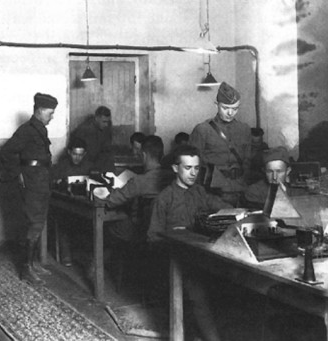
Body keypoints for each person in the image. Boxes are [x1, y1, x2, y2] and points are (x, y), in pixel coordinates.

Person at [147, 144, 231, 341]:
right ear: (175, 168)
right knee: (197, 292)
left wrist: (233, 212)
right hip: (174, 260)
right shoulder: (164, 198)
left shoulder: (200, 192)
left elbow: (223, 207)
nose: (193, 173)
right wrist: (173, 240)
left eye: (196, 168)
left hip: (201, 255)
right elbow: (152, 238)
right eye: (187, 168)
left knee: (228, 286)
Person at [0, 92, 58, 285]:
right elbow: (7, 151)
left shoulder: (39, 128)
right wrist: (18, 173)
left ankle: (32, 264)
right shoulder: (27, 130)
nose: (52, 116)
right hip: (32, 182)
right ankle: (26, 269)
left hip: (41, 180)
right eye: (50, 112)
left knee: (38, 222)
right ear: (40, 111)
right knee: (32, 224)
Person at [189, 82, 252, 205]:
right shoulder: (203, 130)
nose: (230, 113)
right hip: (213, 190)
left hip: (240, 189)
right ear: (216, 105)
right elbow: (194, 164)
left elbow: (248, 160)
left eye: (235, 109)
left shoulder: (244, 129)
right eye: (225, 108)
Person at [101, 135, 171, 242]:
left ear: (143, 155)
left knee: (107, 227)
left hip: (140, 229)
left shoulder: (139, 181)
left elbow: (111, 201)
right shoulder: (172, 177)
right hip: (165, 230)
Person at [50, 137, 94, 267]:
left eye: (80, 155)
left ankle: (87, 256)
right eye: (74, 154)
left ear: (84, 154)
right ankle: (66, 255)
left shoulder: (89, 166)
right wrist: (59, 183)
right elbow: (52, 183)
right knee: (64, 222)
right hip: (64, 204)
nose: (77, 158)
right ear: (69, 152)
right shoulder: (61, 166)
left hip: (83, 204)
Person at [71, 106, 114, 172]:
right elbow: (80, 154)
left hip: (101, 164)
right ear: (96, 118)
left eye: (108, 122)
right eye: (104, 122)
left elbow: (107, 149)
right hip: (86, 165)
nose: (106, 125)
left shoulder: (107, 129)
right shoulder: (83, 130)